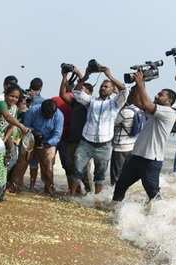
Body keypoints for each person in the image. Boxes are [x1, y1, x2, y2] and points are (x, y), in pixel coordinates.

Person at [112, 72, 176, 202]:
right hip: (136, 156)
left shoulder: (169, 112)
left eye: (161, 95)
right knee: (120, 185)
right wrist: (138, 83)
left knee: (152, 193)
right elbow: (137, 102)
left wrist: (141, 83)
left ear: (169, 100)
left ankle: (161, 215)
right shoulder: (156, 110)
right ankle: (114, 210)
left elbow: (147, 104)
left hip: (151, 160)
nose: (157, 95)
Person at [72, 64, 127, 194]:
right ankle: (71, 195)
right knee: (77, 171)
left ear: (113, 89)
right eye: (102, 86)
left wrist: (109, 75)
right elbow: (76, 93)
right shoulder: (91, 101)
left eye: (106, 86)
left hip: (104, 145)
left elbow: (124, 91)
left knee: (100, 176)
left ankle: (96, 201)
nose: (103, 88)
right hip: (86, 143)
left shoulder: (115, 103)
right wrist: (85, 76)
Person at [10, 99, 63, 195]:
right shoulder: (33, 111)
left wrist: (47, 143)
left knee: (48, 164)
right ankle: (15, 185)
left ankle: (49, 188)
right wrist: (34, 133)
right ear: (41, 110)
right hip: (30, 138)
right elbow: (25, 126)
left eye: (50, 115)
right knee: (22, 161)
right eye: (46, 114)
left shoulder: (59, 116)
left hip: (48, 141)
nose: (48, 116)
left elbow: (57, 135)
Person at [58, 68, 94, 195]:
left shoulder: (91, 104)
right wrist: (64, 76)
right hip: (72, 140)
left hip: (84, 141)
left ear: (89, 94)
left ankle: (90, 194)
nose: (79, 93)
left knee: (83, 170)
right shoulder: (75, 103)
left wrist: (81, 75)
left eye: (83, 91)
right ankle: (75, 193)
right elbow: (62, 94)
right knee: (71, 166)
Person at [111, 89, 141, 184]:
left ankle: (113, 194)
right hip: (132, 146)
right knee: (126, 174)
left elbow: (112, 122)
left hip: (120, 147)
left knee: (116, 175)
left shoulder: (125, 112)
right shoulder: (137, 110)